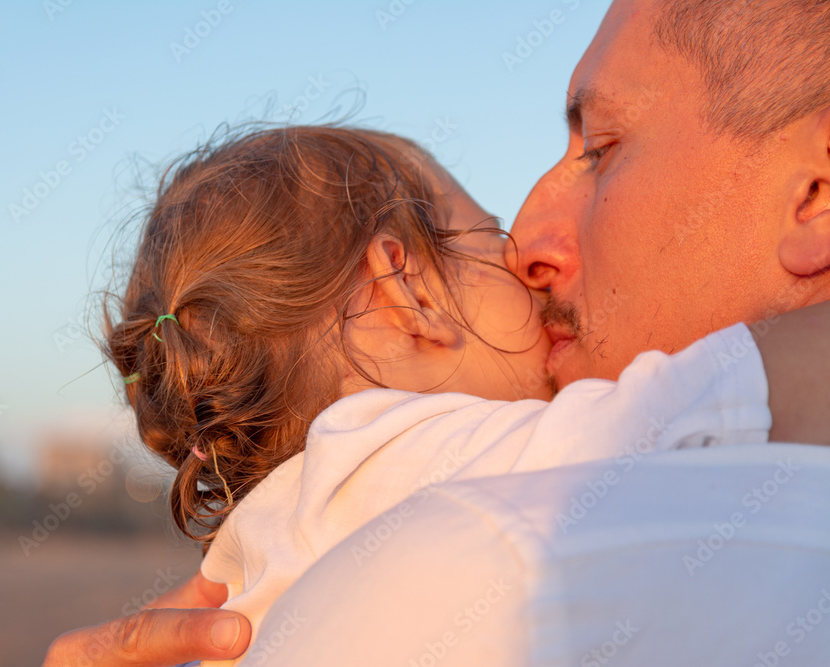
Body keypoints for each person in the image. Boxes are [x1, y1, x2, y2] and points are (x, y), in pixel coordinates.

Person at [42, 0, 830, 663]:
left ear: (817, 190)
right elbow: (690, 406)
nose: (525, 244)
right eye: (485, 241)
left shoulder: (296, 523)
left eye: (603, 149)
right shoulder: (439, 477)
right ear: (404, 290)